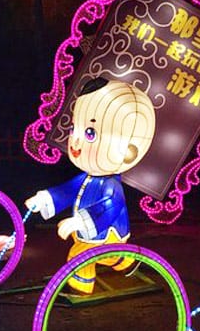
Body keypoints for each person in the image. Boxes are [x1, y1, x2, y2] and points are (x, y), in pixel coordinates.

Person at [25, 77, 156, 294]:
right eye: (74, 128)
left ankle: (80, 287)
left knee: (80, 256)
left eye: (90, 133)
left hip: (105, 233)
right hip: (93, 234)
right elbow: (68, 191)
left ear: (129, 150)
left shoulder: (111, 185)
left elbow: (110, 206)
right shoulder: (88, 177)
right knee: (108, 255)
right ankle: (125, 261)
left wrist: (80, 221)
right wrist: (44, 199)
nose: (76, 142)